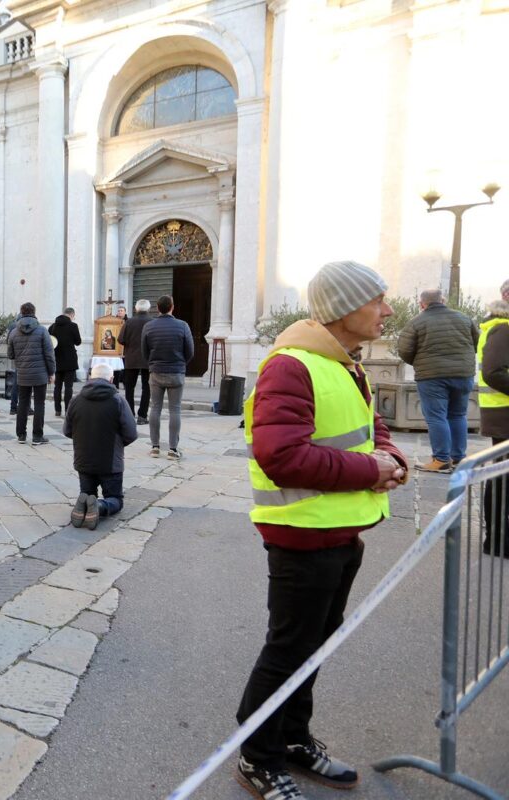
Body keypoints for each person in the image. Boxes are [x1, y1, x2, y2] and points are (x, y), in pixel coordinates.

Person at [236, 260, 408, 800]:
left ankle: (291, 738)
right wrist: (369, 470)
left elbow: (370, 427)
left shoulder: (343, 363)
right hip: (301, 536)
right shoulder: (291, 365)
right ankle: (256, 756)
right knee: (289, 650)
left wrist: (392, 457)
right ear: (343, 307)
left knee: (313, 647)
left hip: (339, 532)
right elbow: (281, 455)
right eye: (378, 299)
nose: (387, 309)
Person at [396, 288, 479, 473]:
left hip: (432, 377)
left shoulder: (416, 322)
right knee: (458, 415)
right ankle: (458, 458)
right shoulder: (464, 318)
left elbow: (404, 350)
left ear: (421, 304)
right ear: (443, 300)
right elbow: (476, 342)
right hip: (463, 374)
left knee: (436, 417)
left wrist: (420, 362)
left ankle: (441, 459)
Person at [63, 363, 136, 530]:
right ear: (111, 379)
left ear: (90, 378)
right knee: (116, 499)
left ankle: (87, 502)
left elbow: (67, 430)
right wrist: (118, 445)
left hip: (84, 462)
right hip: (110, 463)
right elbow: (131, 433)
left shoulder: (75, 400)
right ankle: (101, 506)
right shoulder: (118, 400)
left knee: (88, 494)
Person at [476, 285, 509, 558]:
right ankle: (497, 540)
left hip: (501, 412)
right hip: (504, 413)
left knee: (501, 476)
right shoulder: (503, 328)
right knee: (502, 478)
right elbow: (493, 372)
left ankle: (498, 538)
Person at [141, 295, 193, 459]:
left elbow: (144, 351)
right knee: (175, 410)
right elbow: (190, 351)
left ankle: (155, 447)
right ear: (172, 307)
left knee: (155, 408)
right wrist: (181, 363)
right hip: (176, 372)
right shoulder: (183, 326)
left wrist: (152, 363)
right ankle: (172, 449)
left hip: (156, 372)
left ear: (157, 308)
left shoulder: (149, 326)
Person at [8, 302, 56, 444]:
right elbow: (49, 354)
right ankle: (37, 436)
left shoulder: (14, 332)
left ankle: (21, 435)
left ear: (21, 312)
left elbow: (10, 355)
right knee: (39, 403)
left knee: (22, 403)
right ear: (34, 312)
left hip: (22, 372)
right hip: (40, 373)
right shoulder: (42, 330)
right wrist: (51, 372)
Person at [118, 299, 152, 422]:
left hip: (131, 359)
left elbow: (121, 339)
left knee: (129, 388)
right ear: (148, 309)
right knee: (146, 388)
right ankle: (142, 415)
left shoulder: (129, 322)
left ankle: (130, 414)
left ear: (136, 309)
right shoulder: (152, 322)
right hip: (147, 359)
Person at [49, 307, 82, 417]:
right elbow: (78, 342)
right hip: (70, 360)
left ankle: (57, 410)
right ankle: (67, 409)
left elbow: (50, 342)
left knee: (57, 386)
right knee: (68, 387)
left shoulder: (52, 326)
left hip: (56, 359)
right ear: (72, 315)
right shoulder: (73, 326)